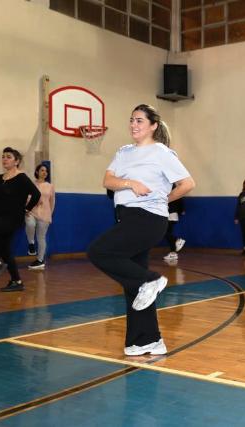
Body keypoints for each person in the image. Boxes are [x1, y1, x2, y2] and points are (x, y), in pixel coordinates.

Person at [87, 104, 195, 356]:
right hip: (126, 217)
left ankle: (152, 279)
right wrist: (130, 183)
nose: (133, 125)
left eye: (139, 121)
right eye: (131, 120)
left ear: (153, 126)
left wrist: (163, 199)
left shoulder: (162, 152)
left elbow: (187, 183)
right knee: (134, 286)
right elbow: (108, 181)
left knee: (98, 252)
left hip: (148, 218)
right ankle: (147, 340)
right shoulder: (123, 152)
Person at [0, 147, 41, 291]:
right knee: (4, 250)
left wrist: (27, 209)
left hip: (12, 219)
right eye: (3, 156)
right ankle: (16, 281)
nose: (4, 159)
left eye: (8, 157)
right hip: (0, 217)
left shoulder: (21, 178)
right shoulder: (0, 178)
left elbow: (36, 194)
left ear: (16, 161)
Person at [25, 163, 55, 270]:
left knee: (41, 237)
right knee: (30, 224)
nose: (45, 172)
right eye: (42, 170)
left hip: (45, 214)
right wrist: (28, 205)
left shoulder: (50, 186)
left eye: (46, 171)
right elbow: (26, 197)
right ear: (37, 172)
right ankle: (31, 244)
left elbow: (52, 202)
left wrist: (50, 214)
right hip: (31, 211)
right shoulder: (31, 184)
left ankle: (40, 260)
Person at [163, 189, 185, 261]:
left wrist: (181, 210)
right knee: (168, 233)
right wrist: (181, 210)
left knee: (166, 233)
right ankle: (173, 254)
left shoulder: (170, 190)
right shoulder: (174, 190)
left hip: (170, 214)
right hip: (172, 214)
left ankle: (177, 240)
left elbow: (179, 201)